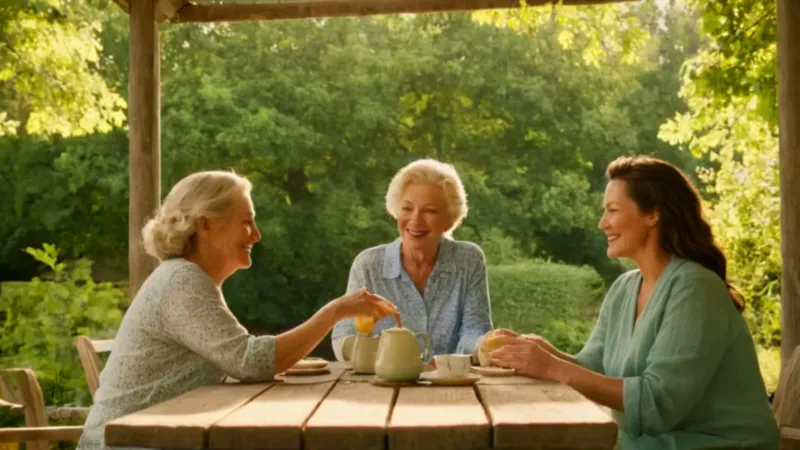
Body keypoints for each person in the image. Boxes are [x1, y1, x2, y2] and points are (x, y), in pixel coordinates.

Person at [77, 171, 397, 450]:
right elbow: (250, 362)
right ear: (205, 225)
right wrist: (335, 311)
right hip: (127, 444)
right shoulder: (182, 280)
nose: (256, 234)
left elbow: (240, 362)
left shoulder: (190, 278)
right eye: (246, 221)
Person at [489, 156, 780, 449]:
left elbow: (658, 402)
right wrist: (540, 352)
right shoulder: (624, 288)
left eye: (612, 210)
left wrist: (552, 367)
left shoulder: (696, 288)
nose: (602, 223)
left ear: (653, 214)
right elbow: (592, 369)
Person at [331, 159, 492, 360]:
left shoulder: (468, 260)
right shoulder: (368, 266)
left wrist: (485, 346)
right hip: (383, 378)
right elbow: (343, 336)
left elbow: (474, 329)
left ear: (449, 219)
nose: (415, 220)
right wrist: (385, 358)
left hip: (448, 378)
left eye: (430, 211)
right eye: (407, 208)